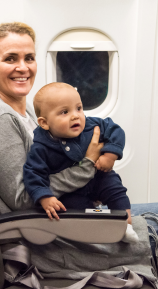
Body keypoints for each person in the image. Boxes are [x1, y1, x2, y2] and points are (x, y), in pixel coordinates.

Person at [0, 22, 103, 215]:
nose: (23, 68)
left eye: (29, 58)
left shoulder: (27, 110)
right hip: (43, 231)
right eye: (10, 59)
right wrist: (87, 166)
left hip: (68, 208)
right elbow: (22, 199)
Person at [23, 82, 138, 243]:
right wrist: (44, 197)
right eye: (64, 112)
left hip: (99, 177)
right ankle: (94, 228)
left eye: (79, 108)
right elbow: (33, 173)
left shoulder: (91, 125)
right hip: (71, 192)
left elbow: (115, 130)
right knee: (75, 210)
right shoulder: (41, 147)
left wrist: (110, 155)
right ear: (44, 123)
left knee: (115, 190)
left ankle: (126, 226)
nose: (76, 115)